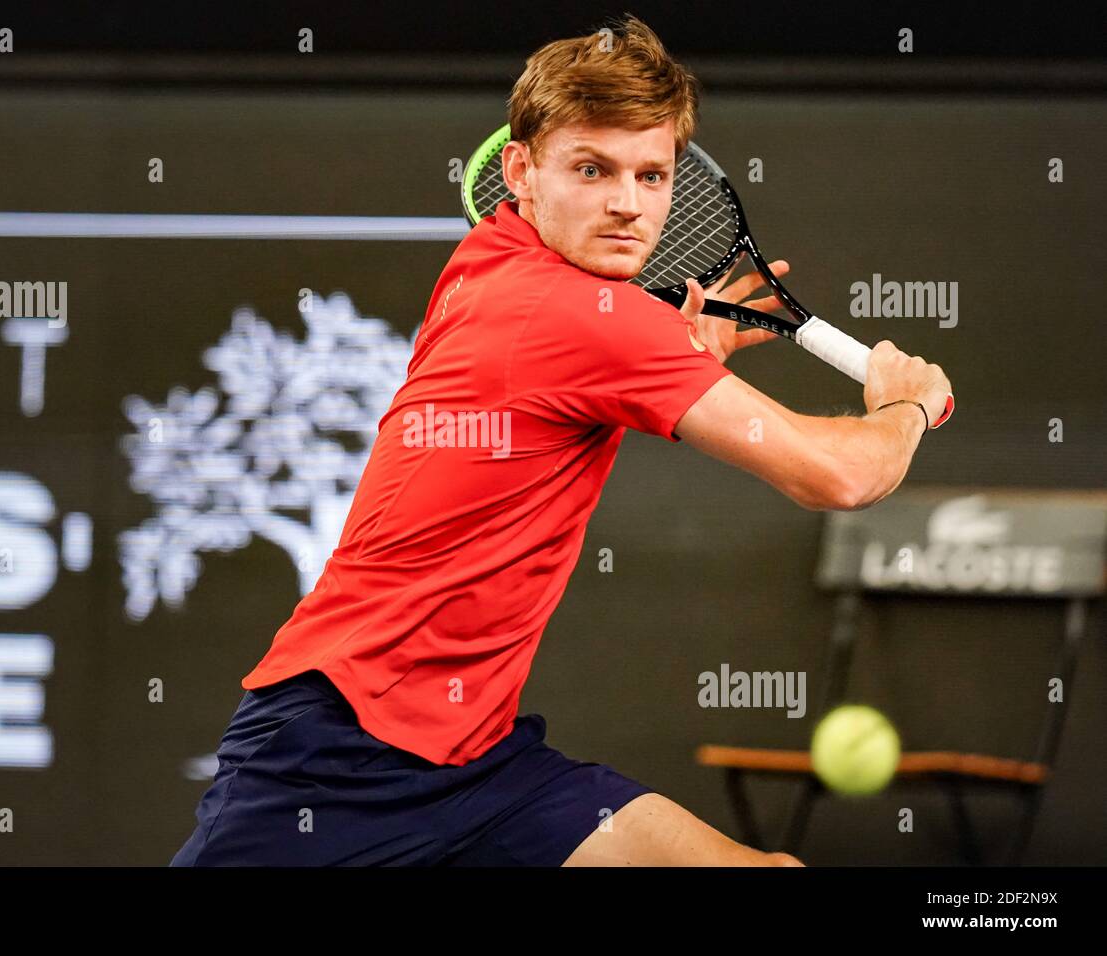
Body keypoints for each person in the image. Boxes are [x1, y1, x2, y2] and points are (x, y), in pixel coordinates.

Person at [170, 14, 951, 867]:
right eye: (592, 169)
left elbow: (557, 390)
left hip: (474, 760)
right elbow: (837, 477)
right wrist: (903, 404)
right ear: (520, 172)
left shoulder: (489, 257)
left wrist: (680, 364)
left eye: (652, 176)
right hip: (332, 754)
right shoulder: (595, 318)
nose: (627, 204)